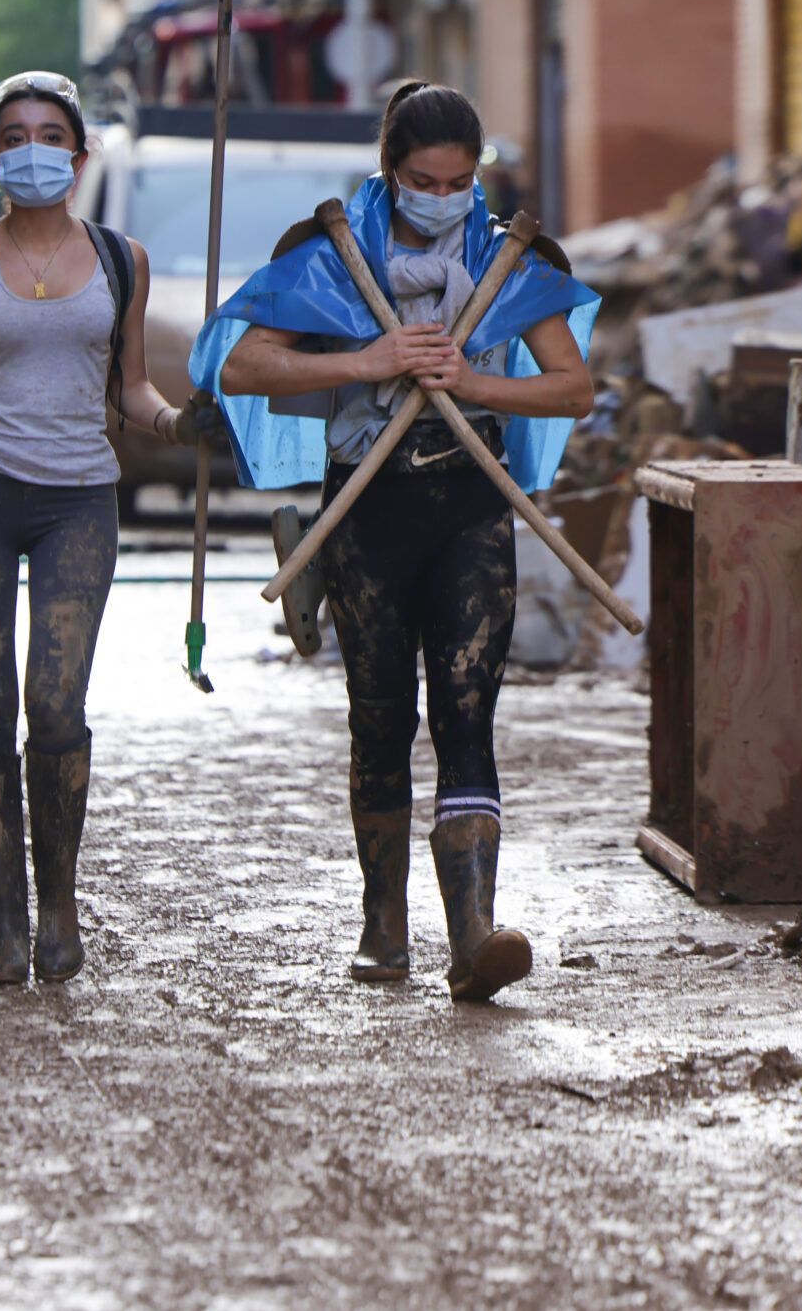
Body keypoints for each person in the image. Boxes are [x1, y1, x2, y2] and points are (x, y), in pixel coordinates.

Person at [203, 82, 596, 1004]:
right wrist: (370, 361)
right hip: (366, 508)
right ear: (389, 171)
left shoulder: (510, 264)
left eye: (461, 180)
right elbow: (243, 364)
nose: (442, 196)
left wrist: (471, 381)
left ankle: (473, 937)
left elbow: (574, 388)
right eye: (422, 179)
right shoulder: (332, 258)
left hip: (470, 504)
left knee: (468, 709)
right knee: (379, 716)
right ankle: (385, 920)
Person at [0, 70, 213, 987]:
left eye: (50, 134)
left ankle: (60, 905)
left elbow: (133, 388)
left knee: (56, 705)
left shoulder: (123, 260)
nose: (33, 150)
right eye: (15, 135)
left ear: (79, 152)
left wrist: (178, 423)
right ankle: (5, 928)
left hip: (80, 498)